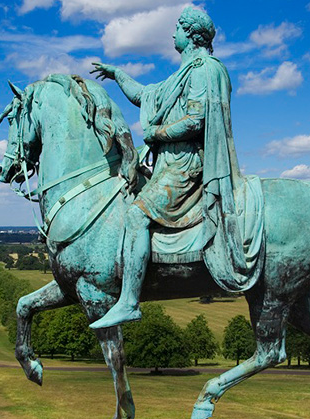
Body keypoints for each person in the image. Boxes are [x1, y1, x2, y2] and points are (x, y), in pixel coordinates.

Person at [89, 6, 250, 329]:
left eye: (177, 27)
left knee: (136, 215)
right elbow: (147, 95)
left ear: (191, 34)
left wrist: (155, 133)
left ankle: (130, 301)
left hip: (186, 164)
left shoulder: (204, 70)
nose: (172, 32)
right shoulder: (182, 74)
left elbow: (197, 119)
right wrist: (118, 75)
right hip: (169, 161)